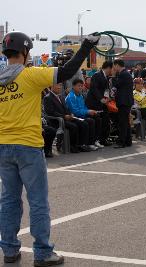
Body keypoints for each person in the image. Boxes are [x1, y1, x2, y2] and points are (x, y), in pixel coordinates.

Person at [0, 31, 99, 266]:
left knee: (9, 200)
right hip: (28, 146)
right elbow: (65, 73)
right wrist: (86, 46)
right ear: (24, 52)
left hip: (3, 146)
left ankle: (10, 251)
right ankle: (43, 253)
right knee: (38, 201)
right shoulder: (31, 75)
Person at [65, 79, 102, 150]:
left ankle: (95, 140)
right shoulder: (71, 97)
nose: (80, 87)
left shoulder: (80, 96)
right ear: (73, 86)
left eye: (81, 86)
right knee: (90, 121)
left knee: (97, 118)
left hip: (81, 115)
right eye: (78, 86)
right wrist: (87, 112)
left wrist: (90, 111)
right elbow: (75, 111)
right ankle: (87, 143)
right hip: (73, 117)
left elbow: (84, 108)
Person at [86, 61, 113, 146]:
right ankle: (96, 139)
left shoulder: (106, 77)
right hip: (94, 102)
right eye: (112, 69)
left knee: (105, 120)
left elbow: (106, 90)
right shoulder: (97, 75)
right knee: (99, 120)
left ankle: (103, 139)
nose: (112, 71)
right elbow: (94, 89)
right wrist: (101, 98)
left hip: (102, 102)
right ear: (108, 68)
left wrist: (107, 97)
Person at [112, 59, 134, 148]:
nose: (113, 68)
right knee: (126, 122)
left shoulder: (123, 74)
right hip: (126, 101)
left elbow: (116, 84)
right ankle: (128, 141)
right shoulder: (126, 73)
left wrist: (113, 76)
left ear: (117, 65)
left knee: (123, 122)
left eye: (114, 66)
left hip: (124, 101)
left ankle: (122, 142)